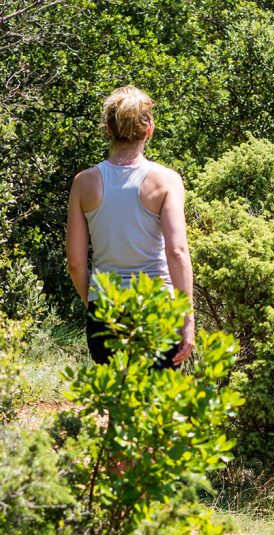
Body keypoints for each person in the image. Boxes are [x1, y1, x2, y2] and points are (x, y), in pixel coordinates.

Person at [66, 85, 195, 368]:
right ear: (149, 128)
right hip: (156, 306)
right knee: (155, 404)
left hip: (106, 308)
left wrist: (95, 304)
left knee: (117, 403)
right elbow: (177, 251)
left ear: (108, 129)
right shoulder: (166, 181)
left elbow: (76, 263)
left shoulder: (84, 183)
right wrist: (187, 320)